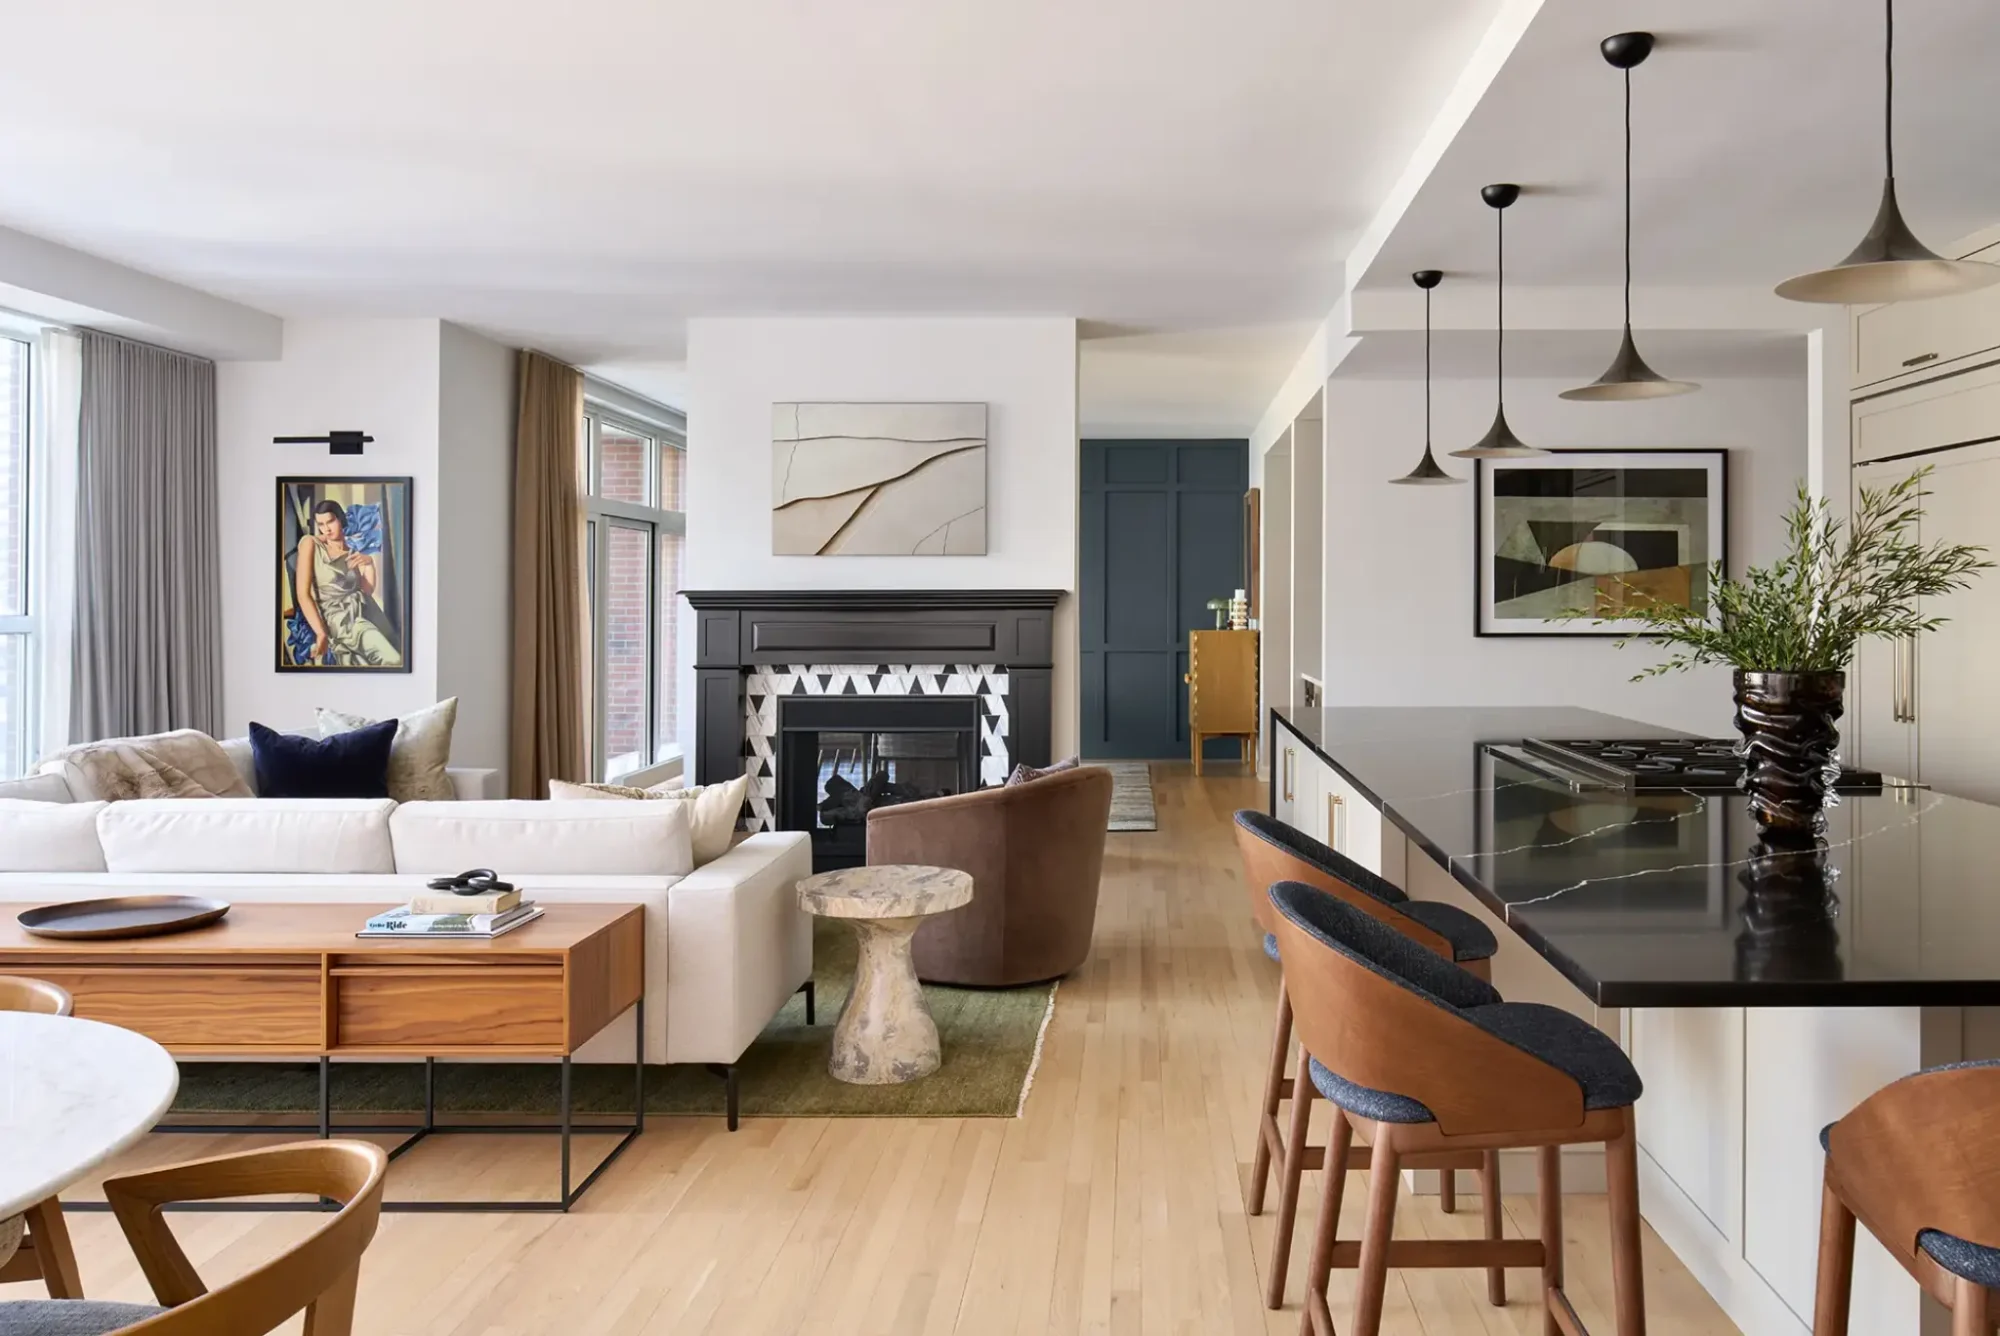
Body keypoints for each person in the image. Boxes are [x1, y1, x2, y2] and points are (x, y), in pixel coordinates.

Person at [293, 499, 402, 667]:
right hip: (339, 620)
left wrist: (369, 564)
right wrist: (321, 633)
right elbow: (302, 594)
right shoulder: (311, 544)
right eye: (321, 524)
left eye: (330, 521)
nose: (326, 529)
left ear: (340, 519)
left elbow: (366, 590)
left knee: (394, 659)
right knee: (392, 660)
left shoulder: (351, 551)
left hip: (364, 613)